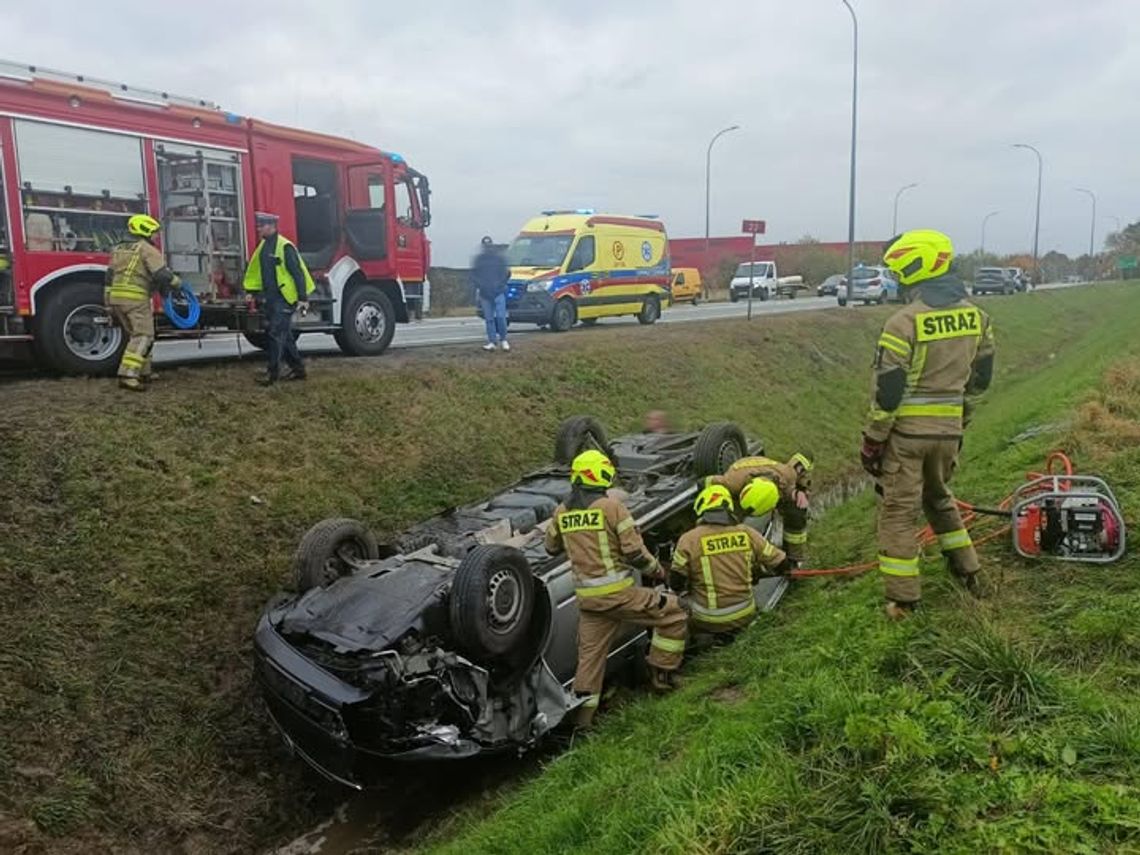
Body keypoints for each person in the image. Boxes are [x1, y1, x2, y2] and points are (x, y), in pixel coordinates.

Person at [860, 229, 996, 619]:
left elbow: (887, 395)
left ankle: (903, 601)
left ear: (913, 269)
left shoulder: (903, 323)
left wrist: (873, 441)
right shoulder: (978, 317)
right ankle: (969, 572)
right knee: (939, 499)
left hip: (907, 438)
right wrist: (959, 418)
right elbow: (981, 380)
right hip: (949, 433)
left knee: (899, 514)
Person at [544, 449, 688, 729]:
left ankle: (582, 725)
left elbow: (551, 548)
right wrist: (657, 570)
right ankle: (661, 677)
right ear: (600, 475)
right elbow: (634, 552)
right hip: (621, 596)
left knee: (589, 661)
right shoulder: (612, 507)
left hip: (589, 603)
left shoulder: (562, 511)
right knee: (675, 614)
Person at [670, 484, 795, 638]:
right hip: (744, 614)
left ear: (702, 508)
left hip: (707, 620)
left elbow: (676, 583)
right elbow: (782, 562)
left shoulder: (688, 539)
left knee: (671, 606)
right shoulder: (746, 532)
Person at [104, 214, 179, 391]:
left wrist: (107, 303)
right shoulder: (147, 250)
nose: (156, 237)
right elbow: (161, 274)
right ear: (145, 231)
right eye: (154, 233)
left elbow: (109, 277)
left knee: (138, 336)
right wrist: (177, 282)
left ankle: (144, 372)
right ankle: (128, 374)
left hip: (117, 299)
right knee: (143, 336)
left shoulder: (119, 249)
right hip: (135, 299)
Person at [242, 212, 315, 386]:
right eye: (258, 225)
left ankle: (272, 373)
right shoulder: (263, 247)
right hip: (272, 298)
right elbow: (257, 271)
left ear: (272, 226)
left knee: (275, 333)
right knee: (285, 335)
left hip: (285, 297)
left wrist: (302, 298)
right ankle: (298, 370)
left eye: (262, 225)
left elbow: (298, 273)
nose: (259, 228)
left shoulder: (285, 246)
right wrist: (251, 290)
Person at [707, 452, 814, 562]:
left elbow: (797, 473)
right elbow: (706, 482)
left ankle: (794, 558)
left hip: (767, 477)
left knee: (795, 510)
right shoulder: (731, 482)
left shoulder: (786, 475)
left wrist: (795, 493)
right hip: (742, 473)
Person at [471, 235, 510, 352]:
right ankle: (492, 341)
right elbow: (473, 275)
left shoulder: (499, 259)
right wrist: (480, 285)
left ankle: (503, 339)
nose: (487, 247)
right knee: (489, 319)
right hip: (485, 293)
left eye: (489, 245)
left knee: (501, 317)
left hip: (498, 292)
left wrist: (500, 284)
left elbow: (506, 273)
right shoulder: (479, 260)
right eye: (485, 245)